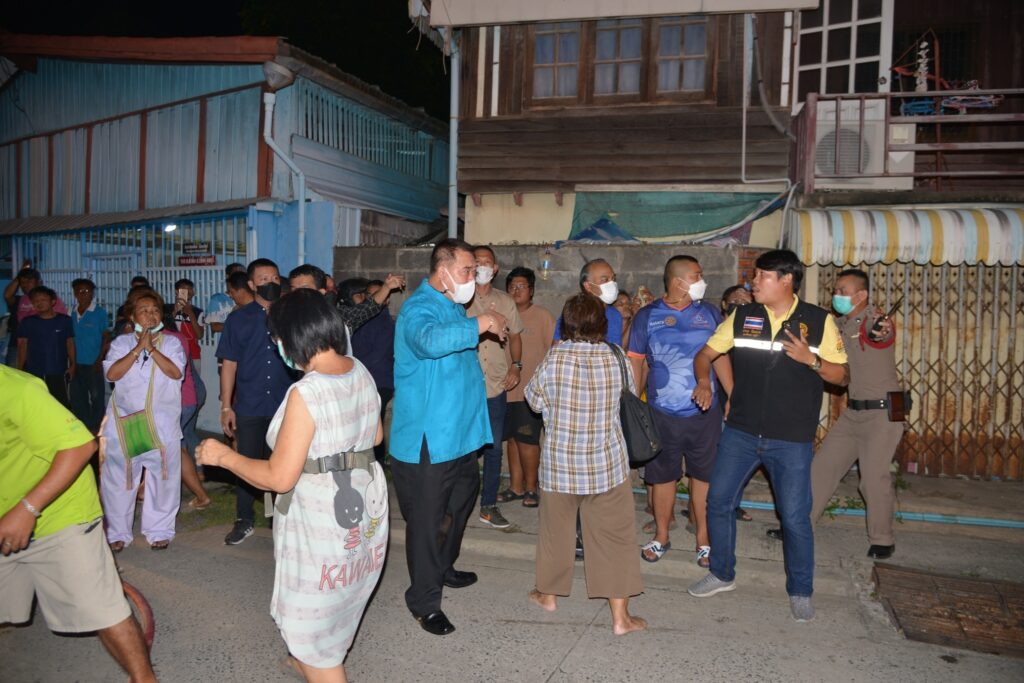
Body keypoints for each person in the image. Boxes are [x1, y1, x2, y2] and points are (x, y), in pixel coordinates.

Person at [197, 289, 386, 682]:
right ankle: (310, 659)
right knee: (340, 601)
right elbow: (376, 436)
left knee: (313, 624)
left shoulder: (307, 392)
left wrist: (224, 457)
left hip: (322, 521)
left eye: (277, 337)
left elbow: (279, 477)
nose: (277, 345)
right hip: (365, 507)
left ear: (291, 337)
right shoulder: (359, 370)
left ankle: (318, 664)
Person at [687, 249, 849, 622]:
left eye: (762, 276)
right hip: (741, 432)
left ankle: (801, 590)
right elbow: (705, 355)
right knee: (718, 502)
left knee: (794, 517)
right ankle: (722, 573)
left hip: (790, 437)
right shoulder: (743, 316)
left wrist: (812, 360)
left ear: (786, 279)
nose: (753, 282)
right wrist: (704, 382)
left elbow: (842, 377)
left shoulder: (818, 321)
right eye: (755, 276)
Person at [0, 366, 156, 682]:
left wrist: (28, 508)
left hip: (58, 513)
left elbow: (80, 446)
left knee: (103, 609)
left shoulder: (15, 389)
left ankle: (144, 679)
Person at [389, 238, 508, 636]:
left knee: (458, 506)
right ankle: (423, 602)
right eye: (466, 270)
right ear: (442, 272)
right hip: (429, 440)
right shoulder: (418, 309)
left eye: (474, 270)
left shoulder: (453, 307)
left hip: (460, 437)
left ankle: (442, 567)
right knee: (426, 522)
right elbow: (429, 342)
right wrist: (482, 323)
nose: (474, 276)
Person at [525, 294, 646, 635]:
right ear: (602, 325)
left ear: (566, 324)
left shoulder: (554, 358)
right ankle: (621, 618)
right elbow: (630, 394)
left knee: (555, 534)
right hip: (606, 464)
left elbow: (534, 402)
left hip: (560, 465)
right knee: (615, 538)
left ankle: (548, 596)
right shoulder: (617, 357)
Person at [767, 269, 904, 560]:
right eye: (836, 290)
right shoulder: (838, 324)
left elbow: (882, 333)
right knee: (820, 469)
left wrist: (883, 329)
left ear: (861, 295)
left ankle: (882, 539)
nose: (836, 295)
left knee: (873, 478)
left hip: (881, 415)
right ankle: (798, 527)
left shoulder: (874, 320)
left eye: (843, 291)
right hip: (853, 414)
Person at [629, 256, 732, 568]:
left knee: (704, 476)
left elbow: (719, 356)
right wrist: (632, 403)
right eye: (696, 275)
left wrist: (732, 395)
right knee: (663, 477)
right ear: (678, 282)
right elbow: (637, 362)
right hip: (661, 413)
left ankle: (703, 540)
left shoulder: (709, 313)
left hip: (705, 413)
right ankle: (661, 536)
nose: (702, 281)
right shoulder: (647, 316)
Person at [100, 288, 186, 551]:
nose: (150, 315)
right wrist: (138, 348)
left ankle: (159, 530)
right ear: (132, 316)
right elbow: (112, 374)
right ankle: (117, 533)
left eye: (155, 310)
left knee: (164, 479)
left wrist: (152, 349)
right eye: (144, 311)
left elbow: (175, 373)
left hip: (162, 426)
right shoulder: (121, 344)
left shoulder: (172, 344)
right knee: (120, 481)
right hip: (124, 425)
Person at [217, 258, 295, 546]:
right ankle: (244, 519)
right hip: (249, 404)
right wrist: (226, 406)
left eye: (274, 278)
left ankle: (280, 519)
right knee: (246, 463)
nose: (270, 283)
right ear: (251, 284)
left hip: (285, 405)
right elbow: (229, 364)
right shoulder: (239, 319)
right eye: (263, 279)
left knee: (282, 463)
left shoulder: (290, 315)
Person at [466, 245, 524, 529]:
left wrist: (516, 366)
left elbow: (515, 337)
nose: (482, 266)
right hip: (465, 387)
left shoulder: (505, 301)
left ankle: (488, 506)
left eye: (487, 262)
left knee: (494, 449)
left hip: (495, 386)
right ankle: (458, 502)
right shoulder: (459, 300)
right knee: (463, 448)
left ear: (495, 268)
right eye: (476, 262)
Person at [497, 267, 554, 508]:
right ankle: (515, 487)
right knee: (511, 439)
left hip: (531, 392)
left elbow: (554, 351)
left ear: (531, 290)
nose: (516, 290)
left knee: (527, 440)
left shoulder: (542, 316)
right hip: (504, 390)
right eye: (512, 286)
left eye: (521, 286)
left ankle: (532, 488)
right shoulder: (500, 315)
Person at [343, 278, 395, 464]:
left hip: (377, 382)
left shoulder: (384, 323)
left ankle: (375, 466)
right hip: (364, 381)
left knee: (371, 430)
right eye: (369, 295)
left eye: (377, 294)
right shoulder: (360, 319)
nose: (372, 299)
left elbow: (376, 356)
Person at [720, 284, 755, 523]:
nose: (740, 305)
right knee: (716, 459)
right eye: (736, 301)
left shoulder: (752, 330)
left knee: (738, 459)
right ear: (724, 304)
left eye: (745, 302)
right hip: (716, 402)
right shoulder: (716, 328)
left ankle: (733, 504)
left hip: (744, 402)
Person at [16, 286, 75, 407]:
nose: (39, 303)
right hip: (33, 370)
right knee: (35, 403)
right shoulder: (27, 322)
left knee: (59, 404)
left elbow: (70, 343)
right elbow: (23, 347)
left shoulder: (64, 320)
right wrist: (19, 369)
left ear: (53, 301)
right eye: (36, 301)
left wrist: (73, 365)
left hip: (58, 370)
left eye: (43, 299)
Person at [4, 265, 68, 366]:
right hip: (19, 346)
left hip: (41, 347)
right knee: (13, 373)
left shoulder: (50, 299)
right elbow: (7, 295)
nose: (25, 285)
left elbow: (60, 324)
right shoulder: (21, 300)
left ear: (39, 282)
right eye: (23, 282)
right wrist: (19, 275)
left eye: (29, 281)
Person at [69, 278, 110, 434]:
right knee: (77, 397)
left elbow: (106, 337)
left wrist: (100, 359)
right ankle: (82, 427)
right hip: (75, 362)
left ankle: (96, 428)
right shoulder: (70, 312)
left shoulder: (99, 313)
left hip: (93, 362)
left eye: (87, 291)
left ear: (92, 293)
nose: (83, 294)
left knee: (96, 396)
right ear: (74, 293)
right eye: (79, 291)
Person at [553, 259, 624, 345]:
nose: (611, 283)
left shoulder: (614, 315)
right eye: (605, 280)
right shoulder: (574, 314)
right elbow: (557, 346)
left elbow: (615, 348)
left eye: (613, 278)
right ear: (588, 286)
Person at [169, 278, 205, 372]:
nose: (188, 292)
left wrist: (190, 314)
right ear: (176, 292)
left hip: (193, 355)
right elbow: (164, 330)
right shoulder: (167, 309)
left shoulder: (197, 312)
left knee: (194, 380)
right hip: (172, 353)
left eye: (190, 289)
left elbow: (199, 335)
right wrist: (175, 311)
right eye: (184, 289)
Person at [207, 263, 247, 334]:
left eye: (243, 274)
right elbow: (215, 327)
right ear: (228, 276)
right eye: (236, 274)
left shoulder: (250, 298)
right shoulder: (217, 299)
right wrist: (233, 317)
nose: (240, 277)